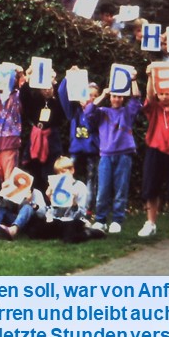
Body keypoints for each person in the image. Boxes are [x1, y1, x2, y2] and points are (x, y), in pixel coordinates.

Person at [85, 70, 142, 234]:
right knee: (103, 189)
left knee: (120, 189)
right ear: (110, 98)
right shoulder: (102, 112)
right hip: (106, 155)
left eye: (119, 97)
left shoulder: (127, 112)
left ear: (123, 98)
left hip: (124, 155)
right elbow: (88, 111)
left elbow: (136, 99)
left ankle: (117, 219)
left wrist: (133, 80)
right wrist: (103, 94)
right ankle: (101, 219)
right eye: (114, 96)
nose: (116, 99)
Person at [137, 65, 169, 240]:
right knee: (151, 188)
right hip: (155, 149)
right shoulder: (154, 108)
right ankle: (151, 223)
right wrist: (152, 76)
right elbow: (149, 96)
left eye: (168, 93)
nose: (164, 96)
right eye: (162, 93)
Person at [57, 69, 100, 219]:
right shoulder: (74, 110)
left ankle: (87, 210)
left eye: (95, 96)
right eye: (89, 94)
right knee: (66, 176)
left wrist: (91, 108)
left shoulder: (97, 111)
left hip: (92, 150)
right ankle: (64, 205)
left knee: (91, 180)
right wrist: (68, 77)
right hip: (76, 149)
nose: (91, 98)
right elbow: (62, 94)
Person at [18, 67, 65, 193]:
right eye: (45, 87)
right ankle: (36, 202)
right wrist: (28, 79)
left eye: (50, 87)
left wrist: (54, 81)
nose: (48, 90)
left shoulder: (58, 101)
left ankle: (50, 201)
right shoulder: (34, 100)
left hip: (52, 139)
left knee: (50, 172)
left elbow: (63, 108)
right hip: (36, 138)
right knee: (34, 171)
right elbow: (24, 97)